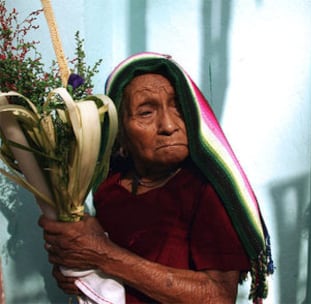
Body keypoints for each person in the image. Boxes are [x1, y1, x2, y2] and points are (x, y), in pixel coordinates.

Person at [39, 52, 273, 303]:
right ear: (121, 136)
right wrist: (78, 269)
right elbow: (105, 265)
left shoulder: (206, 191)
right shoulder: (110, 187)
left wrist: (103, 256)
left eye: (179, 108)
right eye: (146, 112)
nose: (169, 126)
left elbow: (217, 297)